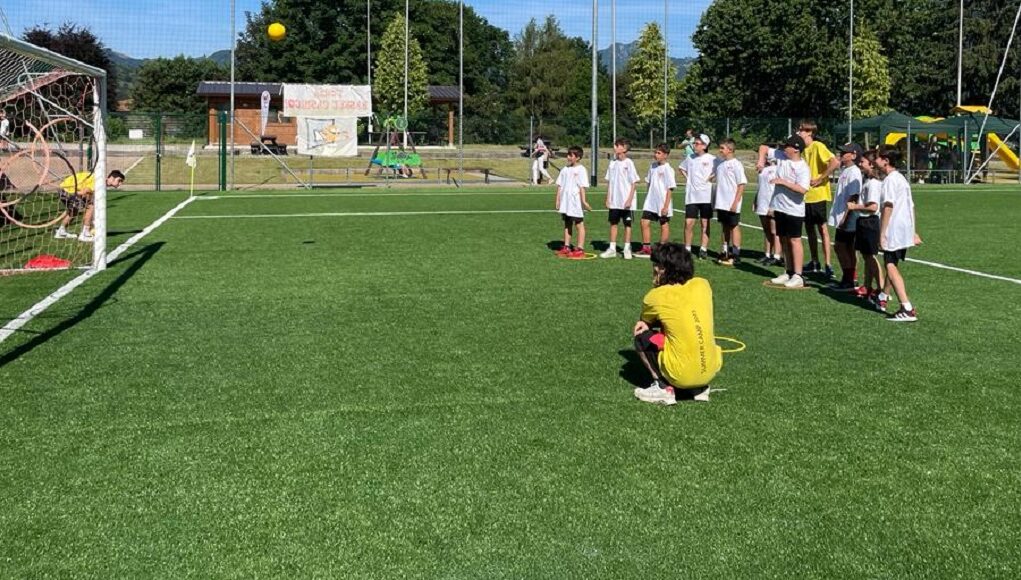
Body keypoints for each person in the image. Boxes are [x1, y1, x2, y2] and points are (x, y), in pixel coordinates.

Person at [632, 243, 722, 406]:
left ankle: (663, 387)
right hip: (709, 371)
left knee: (641, 336)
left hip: (680, 373)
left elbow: (645, 323)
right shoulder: (703, 285)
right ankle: (699, 388)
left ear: (663, 269)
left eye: (656, 266)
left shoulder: (656, 296)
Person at [875, 148, 921, 321]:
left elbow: (888, 206)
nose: (875, 161)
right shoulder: (901, 179)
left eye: (879, 158)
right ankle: (882, 297)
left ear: (886, 161)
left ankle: (906, 307)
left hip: (894, 229)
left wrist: (882, 233)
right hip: (903, 228)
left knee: (889, 265)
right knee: (892, 262)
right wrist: (912, 230)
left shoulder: (890, 180)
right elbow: (911, 206)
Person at [767, 135, 811, 288]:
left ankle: (798, 275)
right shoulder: (781, 157)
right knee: (784, 239)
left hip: (794, 210)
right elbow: (763, 148)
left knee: (794, 240)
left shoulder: (803, 168)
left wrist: (783, 182)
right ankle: (789, 270)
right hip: (780, 207)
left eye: (788, 145)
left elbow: (802, 189)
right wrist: (760, 161)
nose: (784, 148)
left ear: (796, 149)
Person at [847, 149, 885, 305]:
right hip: (863, 222)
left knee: (870, 256)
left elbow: (873, 207)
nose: (860, 164)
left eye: (862, 162)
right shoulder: (868, 181)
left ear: (871, 164)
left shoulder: (874, 184)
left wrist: (855, 207)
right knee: (866, 256)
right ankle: (868, 286)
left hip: (870, 222)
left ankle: (881, 288)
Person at [827, 143, 864, 291]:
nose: (841, 154)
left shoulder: (854, 172)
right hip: (844, 214)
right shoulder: (846, 170)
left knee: (843, 247)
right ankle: (849, 277)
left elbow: (854, 196)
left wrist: (845, 217)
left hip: (849, 215)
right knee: (845, 247)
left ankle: (849, 279)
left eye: (845, 152)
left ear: (854, 155)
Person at [54, 169, 125, 242]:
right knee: (90, 207)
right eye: (119, 180)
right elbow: (85, 191)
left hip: (64, 189)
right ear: (112, 178)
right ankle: (85, 234)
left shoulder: (101, 181)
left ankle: (61, 232)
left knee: (74, 211)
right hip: (67, 190)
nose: (120, 183)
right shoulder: (100, 181)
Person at [600, 138, 640, 260]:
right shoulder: (612, 163)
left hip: (626, 201)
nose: (615, 147)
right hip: (614, 201)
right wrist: (608, 198)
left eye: (617, 145)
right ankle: (612, 248)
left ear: (624, 148)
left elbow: (634, 183)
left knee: (627, 224)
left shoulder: (629, 163)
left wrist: (629, 199)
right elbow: (610, 182)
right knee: (613, 223)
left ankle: (627, 248)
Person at [637, 143, 677, 257]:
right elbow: (649, 183)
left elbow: (670, 189)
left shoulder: (668, 169)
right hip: (651, 202)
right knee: (644, 222)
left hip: (662, 203)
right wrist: (648, 196)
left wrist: (665, 206)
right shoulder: (653, 166)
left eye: (659, 153)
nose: (656, 154)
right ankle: (646, 248)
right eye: (655, 152)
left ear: (665, 155)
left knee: (663, 223)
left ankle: (663, 248)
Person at [678, 133, 714, 259]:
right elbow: (681, 168)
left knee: (705, 223)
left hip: (706, 196)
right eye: (694, 143)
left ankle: (703, 249)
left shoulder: (712, 159)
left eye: (697, 143)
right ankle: (687, 249)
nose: (695, 145)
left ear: (705, 145)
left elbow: (719, 170)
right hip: (692, 196)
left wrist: (710, 178)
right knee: (689, 223)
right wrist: (688, 179)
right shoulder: (690, 158)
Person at [712, 138, 747, 266]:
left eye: (722, 148)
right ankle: (725, 251)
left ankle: (736, 253)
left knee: (734, 226)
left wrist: (735, 202)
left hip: (732, 203)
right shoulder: (720, 165)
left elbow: (741, 184)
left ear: (730, 150)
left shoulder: (736, 164)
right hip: (721, 203)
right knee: (724, 226)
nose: (720, 150)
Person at [554, 146, 591, 259]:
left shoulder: (581, 170)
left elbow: (582, 187)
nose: (568, 157)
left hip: (575, 202)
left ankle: (580, 248)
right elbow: (560, 185)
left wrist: (584, 201)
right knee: (567, 223)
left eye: (571, 155)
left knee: (579, 224)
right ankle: (567, 246)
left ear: (578, 157)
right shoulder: (565, 169)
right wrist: (558, 199)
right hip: (566, 202)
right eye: (568, 154)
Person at [755, 150, 782, 266]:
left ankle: (777, 255)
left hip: (772, 204)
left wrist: (774, 205)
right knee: (766, 230)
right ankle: (767, 253)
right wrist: (755, 200)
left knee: (774, 231)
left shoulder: (778, 168)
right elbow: (760, 187)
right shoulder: (762, 170)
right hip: (762, 202)